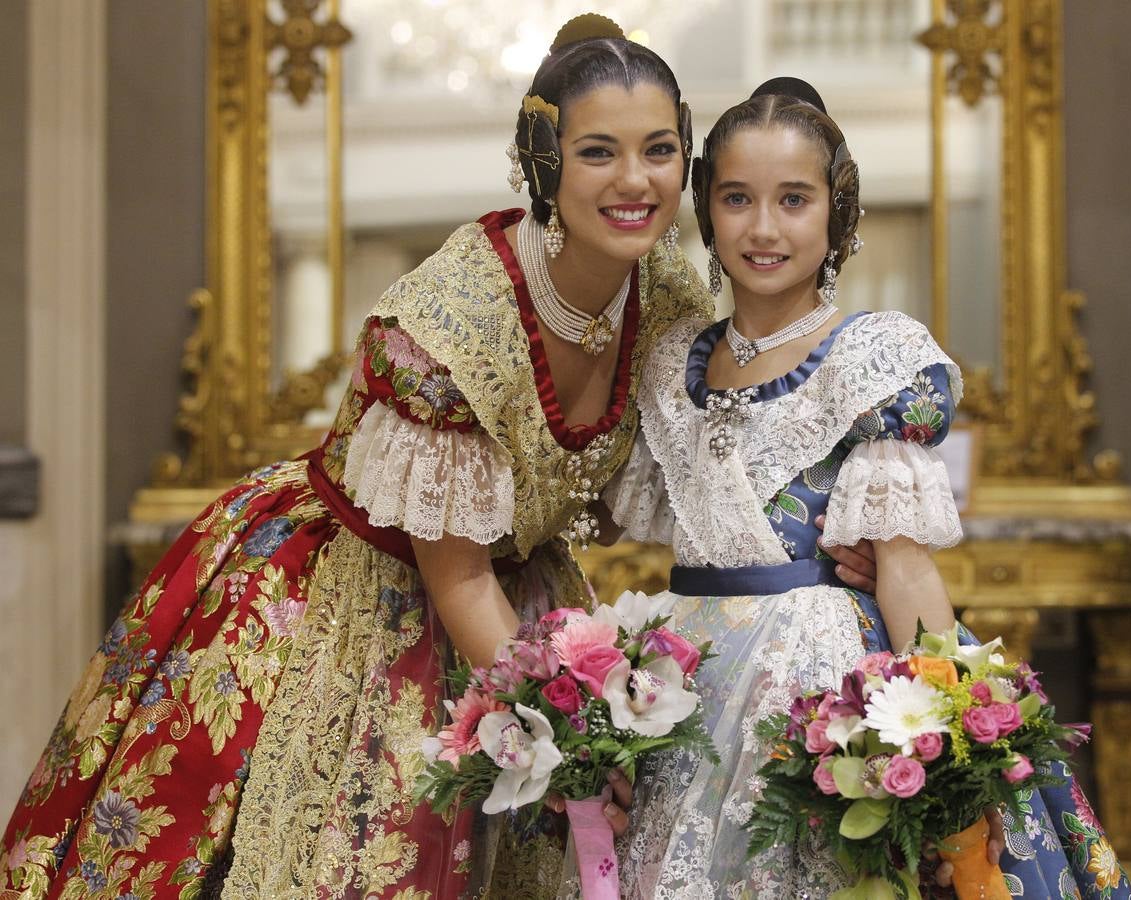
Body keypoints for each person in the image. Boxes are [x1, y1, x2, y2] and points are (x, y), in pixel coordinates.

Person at [0, 18, 872, 900]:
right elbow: (457, 583)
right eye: (598, 152)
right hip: (355, 598)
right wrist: (566, 747)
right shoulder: (448, 326)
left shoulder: (669, 296)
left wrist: (831, 540)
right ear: (544, 161)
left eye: (658, 150)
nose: (634, 180)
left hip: (521, 598)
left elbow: (693, 467)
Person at [600, 79, 1131, 899]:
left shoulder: (877, 358)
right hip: (691, 687)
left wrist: (944, 733)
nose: (764, 227)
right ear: (707, 210)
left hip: (818, 688)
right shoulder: (670, 362)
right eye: (737, 199)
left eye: (794, 200)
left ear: (836, 212)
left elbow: (904, 565)